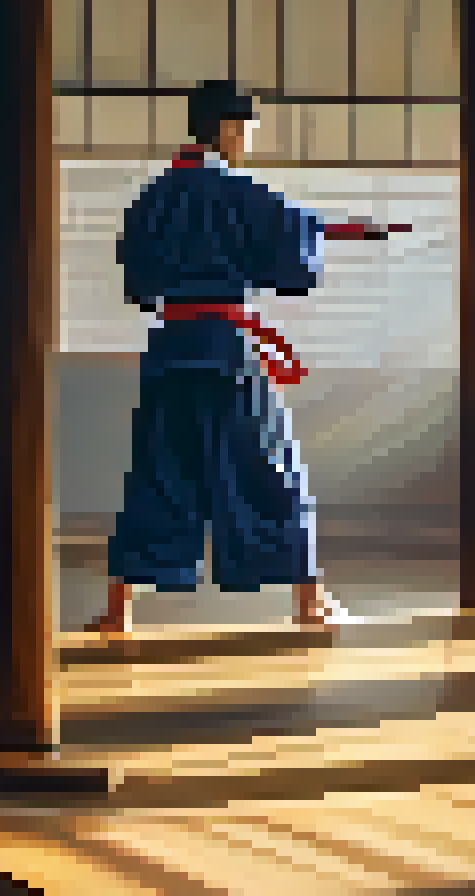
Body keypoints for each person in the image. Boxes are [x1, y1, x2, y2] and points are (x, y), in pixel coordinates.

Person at [86, 79, 348, 633]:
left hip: (171, 351)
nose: (249, 141)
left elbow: (138, 283)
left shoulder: (153, 197)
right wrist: (311, 231)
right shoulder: (244, 193)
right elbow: (295, 263)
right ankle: (311, 603)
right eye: (248, 129)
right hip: (228, 353)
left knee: (157, 473)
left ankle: (117, 610)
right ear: (229, 127)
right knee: (271, 470)